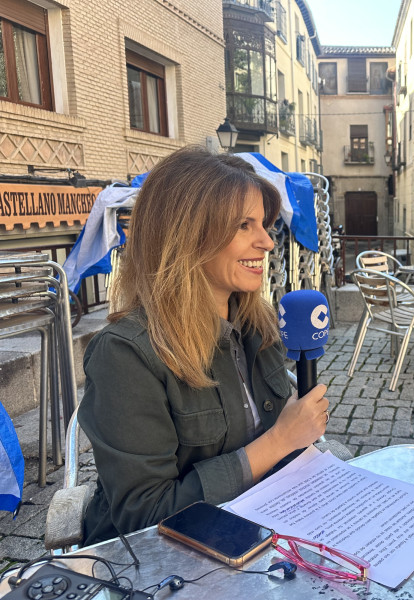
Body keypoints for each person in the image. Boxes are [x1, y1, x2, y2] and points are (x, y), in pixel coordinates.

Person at [79, 147, 330, 545]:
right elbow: (143, 516)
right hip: (157, 563)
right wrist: (279, 440)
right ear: (186, 235)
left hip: (258, 531)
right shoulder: (125, 355)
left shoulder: (257, 324)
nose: (266, 241)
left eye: (263, 224)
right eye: (244, 226)